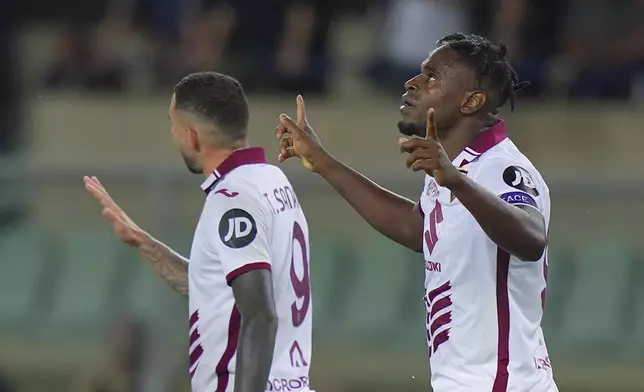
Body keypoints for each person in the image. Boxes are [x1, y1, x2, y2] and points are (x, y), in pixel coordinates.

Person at [277, 33, 557, 391]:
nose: (413, 82)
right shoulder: (451, 162)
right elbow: (417, 229)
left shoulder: (502, 168)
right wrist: (322, 160)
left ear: (471, 101)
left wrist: (457, 182)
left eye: (432, 77)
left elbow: (532, 239)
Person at [84, 72, 313, 392]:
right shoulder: (270, 180)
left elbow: (259, 315)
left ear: (191, 136)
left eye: (172, 124)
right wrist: (143, 242)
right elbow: (223, 292)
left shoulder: (234, 198)